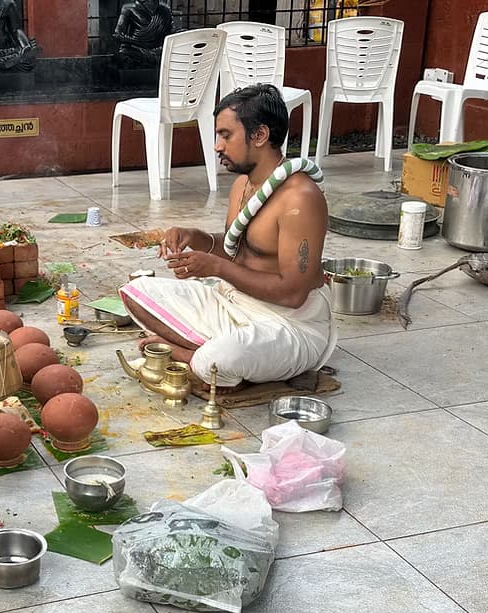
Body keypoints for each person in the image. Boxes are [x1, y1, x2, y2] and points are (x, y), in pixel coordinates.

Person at [119, 84, 336, 389]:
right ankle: (209, 356)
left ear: (259, 135)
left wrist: (215, 268)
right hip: (233, 303)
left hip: (288, 323)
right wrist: (196, 237)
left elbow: (292, 293)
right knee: (136, 291)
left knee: (222, 358)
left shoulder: (300, 198)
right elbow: (237, 249)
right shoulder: (242, 186)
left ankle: (192, 355)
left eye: (226, 135)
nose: (217, 146)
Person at [113, 0, 174, 67]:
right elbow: (117, 34)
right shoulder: (128, 8)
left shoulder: (165, 11)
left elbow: (169, 35)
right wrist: (135, 42)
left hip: (158, 51)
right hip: (135, 50)